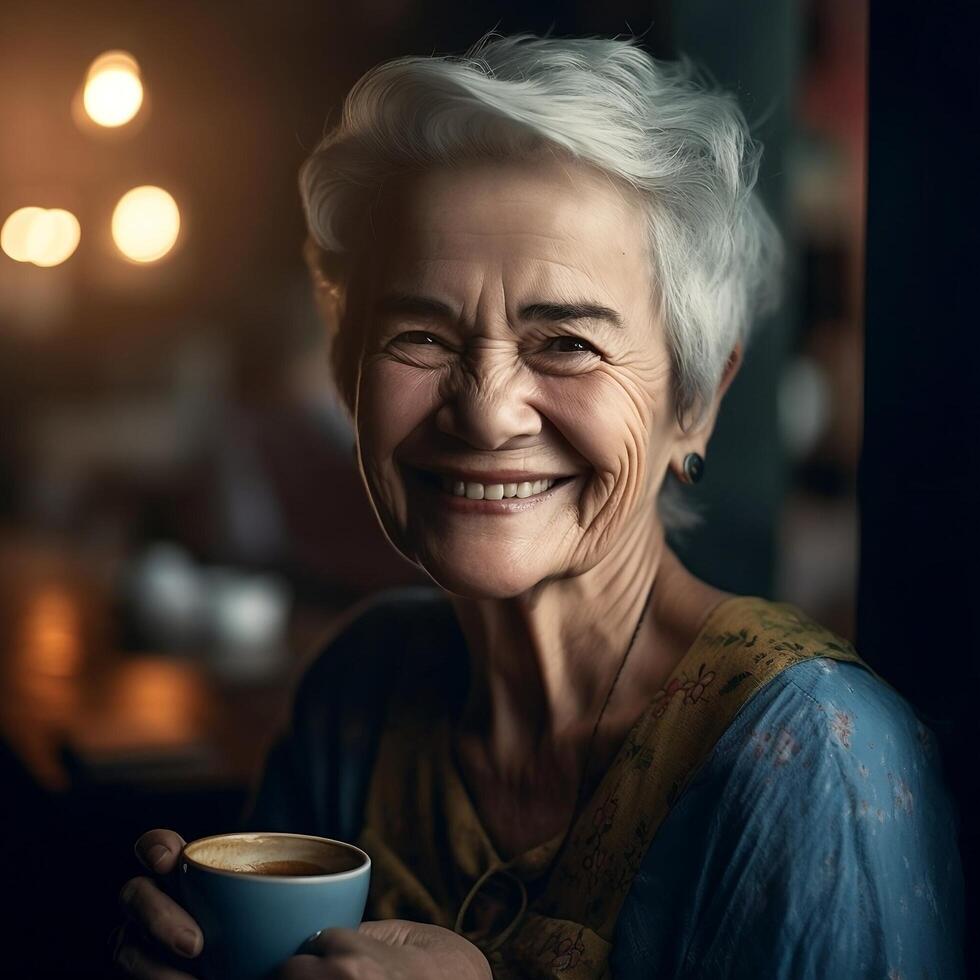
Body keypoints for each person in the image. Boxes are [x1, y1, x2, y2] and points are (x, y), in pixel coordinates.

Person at [112, 34, 964, 979]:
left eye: (566, 342)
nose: (485, 410)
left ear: (698, 400)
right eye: (421, 335)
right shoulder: (359, 688)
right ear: (347, 376)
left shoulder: (812, 761)